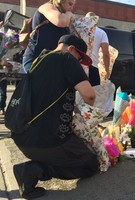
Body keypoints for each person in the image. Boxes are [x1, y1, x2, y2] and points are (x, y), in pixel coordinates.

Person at [12, 34, 98, 199]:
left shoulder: (41, 59)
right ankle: (32, 171)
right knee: (91, 164)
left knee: (75, 152)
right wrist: (89, 117)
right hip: (47, 140)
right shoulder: (66, 58)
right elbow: (90, 96)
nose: (79, 62)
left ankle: (38, 165)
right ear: (71, 49)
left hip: (22, 135)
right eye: (79, 58)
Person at [22, 0, 76, 72]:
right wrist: (69, 15)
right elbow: (60, 21)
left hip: (53, 61)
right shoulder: (47, 7)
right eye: (70, 4)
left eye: (73, 6)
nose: (71, 8)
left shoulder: (64, 17)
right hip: (36, 58)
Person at [84, 12, 110, 86]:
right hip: (92, 65)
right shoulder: (101, 33)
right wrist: (107, 71)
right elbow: (106, 54)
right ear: (96, 20)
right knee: (94, 93)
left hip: (79, 65)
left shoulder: (78, 29)